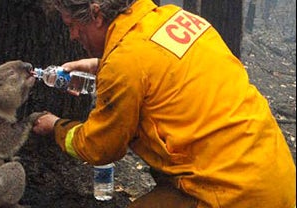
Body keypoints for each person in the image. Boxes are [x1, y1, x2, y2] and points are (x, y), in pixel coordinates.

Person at [33, 0, 296, 207]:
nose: (72, 36)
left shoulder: (125, 64)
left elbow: (100, 147)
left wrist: (56, 126)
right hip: (277, 177)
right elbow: (158, 69)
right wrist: (101, 67)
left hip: (230, 194)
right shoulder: (174, 18)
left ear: (96, 14)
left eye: (71, 25)